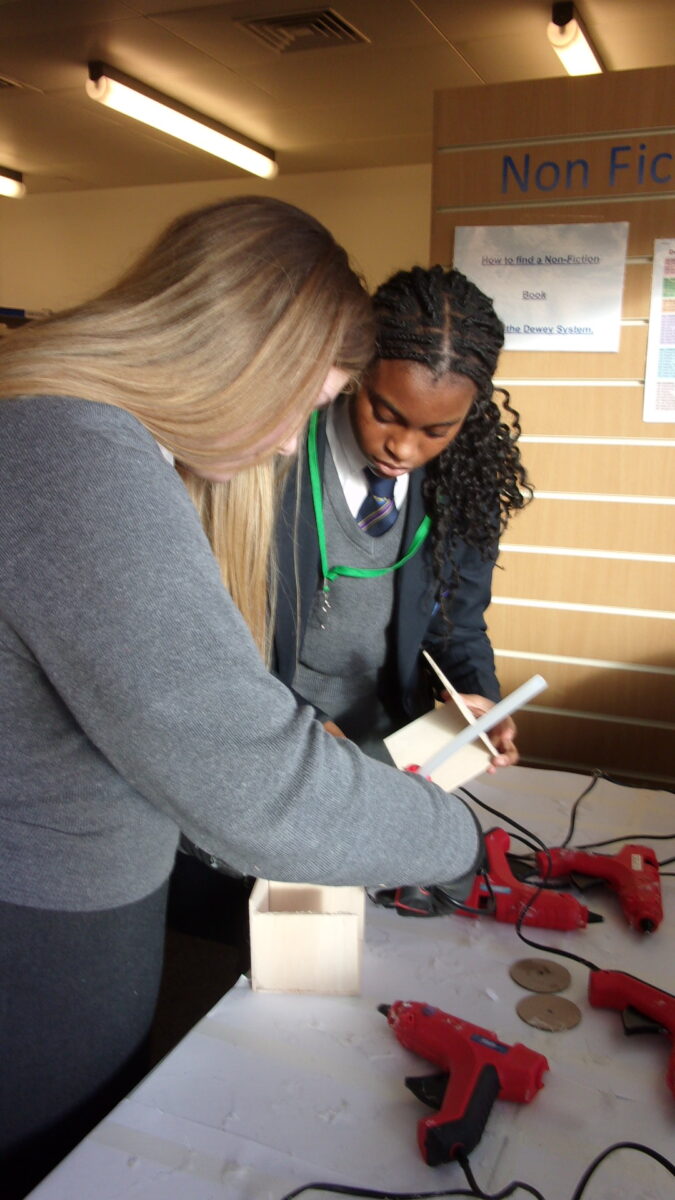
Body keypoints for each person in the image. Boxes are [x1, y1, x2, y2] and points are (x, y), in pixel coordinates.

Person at [0, 198, 482, 1196]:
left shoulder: (84, 441)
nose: (280, 448)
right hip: (36, 947)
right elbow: (248, 779)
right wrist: (450, 836)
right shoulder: (72, 458)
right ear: (237, 360)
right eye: (300, 407)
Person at [274, 265, 532, 765]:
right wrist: (308, 726)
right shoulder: (274, 458)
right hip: (278, 734)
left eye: (437, 430)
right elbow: (222, 640)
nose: (403, 448)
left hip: (393, 744)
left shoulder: (462, 484)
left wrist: (476, 699)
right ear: (359, 372)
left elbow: (457, 626)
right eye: (385, 414)